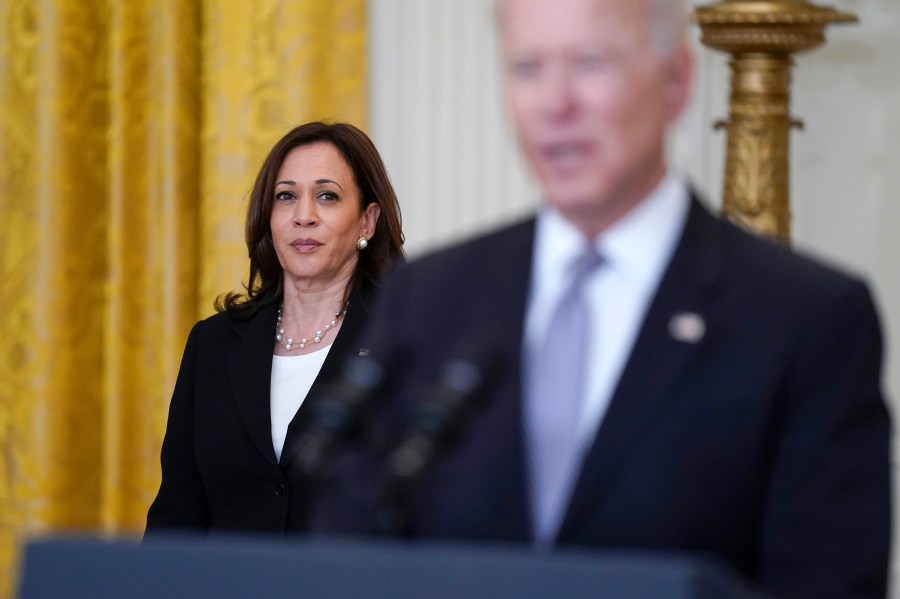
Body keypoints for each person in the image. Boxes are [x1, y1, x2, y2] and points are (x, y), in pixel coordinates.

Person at [314, 1, 892, 598]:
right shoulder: (432, 298)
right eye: (529, 68)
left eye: (591, 63)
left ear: (675, 82)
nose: (556, 104)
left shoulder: (806, 319)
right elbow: (355, 554)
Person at [146, 121, 404, 534]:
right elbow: (176, 518)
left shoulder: (402, 343)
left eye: (327, 196)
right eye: (286, 197)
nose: (304, 216)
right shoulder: (212, 345)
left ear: (367, 222)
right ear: (268, 217)